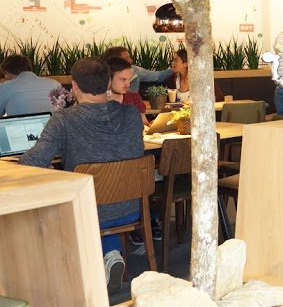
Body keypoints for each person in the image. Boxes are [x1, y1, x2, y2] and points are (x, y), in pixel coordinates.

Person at [20, 58, 145, 285]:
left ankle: (61, 271)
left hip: (86, 211)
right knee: (101, 196)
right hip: (130, 207)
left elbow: (33, 162)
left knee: (57, 198)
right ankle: (111, 253)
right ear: (108, 83)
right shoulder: (131, 114)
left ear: (74, 86)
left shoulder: (64, 120)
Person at [103, 46, 172, 94]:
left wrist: (174, 70)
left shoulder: (135, 70)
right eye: (127, 58)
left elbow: (158, 76)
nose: (131, 60)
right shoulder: (101, 78)